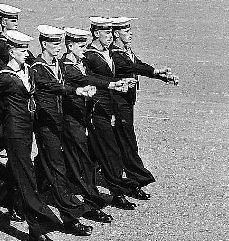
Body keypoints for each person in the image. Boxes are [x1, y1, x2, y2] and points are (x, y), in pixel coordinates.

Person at [0, 30, 66, 241]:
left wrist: (71, 89)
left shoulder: (26, 71)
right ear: (11, 52)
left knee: (14, 177)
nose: (26, 53)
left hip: (27, 130)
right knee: (27, 179)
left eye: (26, 49)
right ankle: (37, 231)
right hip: (14, 133)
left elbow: (45, 86)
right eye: (22, 50)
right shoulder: (4, 77)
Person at [29, 25, 93, 236]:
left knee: (46, 167)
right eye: (54, 43)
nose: (58, 47)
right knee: (57, 169)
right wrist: (76, 90)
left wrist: (107, 85)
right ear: (44, 44)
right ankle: (70, 217)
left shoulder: (58, 64)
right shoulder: (37, 67)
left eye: (59, 43)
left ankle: (18, 198)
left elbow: (79, 79)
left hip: (57, 124)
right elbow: (51, 86)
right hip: (45, 125)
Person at [109, 17, 178, 200]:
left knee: (120, 143)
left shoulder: (125, 49)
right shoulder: (114, 53)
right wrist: (155, 72)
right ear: (116, 33)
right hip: (118, 104)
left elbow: (137, 63)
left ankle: (129, 182)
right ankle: (134, 181)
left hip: (127, 102)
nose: (130, 34)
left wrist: (161, 76)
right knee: (125, 143)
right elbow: (131, 66)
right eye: (126, 32)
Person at [59, 27, 118, 223]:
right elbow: (84, 79)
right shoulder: (66, 66)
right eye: (81, 46)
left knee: (73, 157)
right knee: (82, 159)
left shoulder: (81, 62)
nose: (84, 50)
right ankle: (90, 201)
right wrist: (110, 84)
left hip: (82, 116)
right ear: (70, 46)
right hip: (71, 119)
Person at [83, 17, 139, 210]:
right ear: (97, 34)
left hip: (110, 109)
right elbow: (87, 79)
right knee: (108, 152)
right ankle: (116, 193)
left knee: (94, 153)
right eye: (106, 33)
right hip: (97, 110)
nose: (110, 36)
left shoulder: (108, 53)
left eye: (110, 33)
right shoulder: (89, 55)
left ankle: (117, 190)